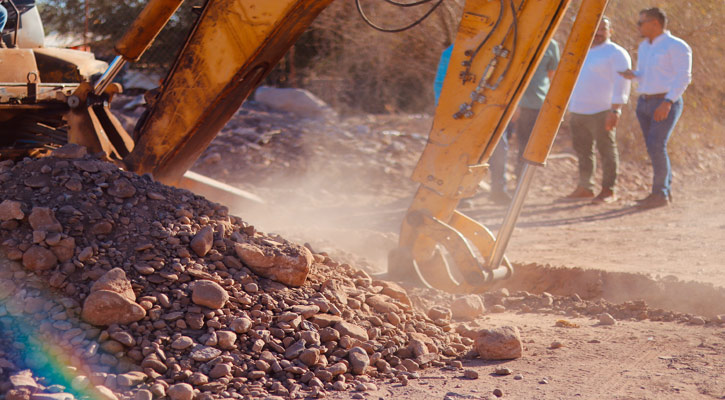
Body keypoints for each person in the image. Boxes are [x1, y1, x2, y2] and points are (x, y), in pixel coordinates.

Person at [434, 40, 560, 205]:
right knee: (463, 153)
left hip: (490, 110)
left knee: (499, 150)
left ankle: (498, 191)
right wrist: (443, 108)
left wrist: (512, 104)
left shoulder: (497, 49)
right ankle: (458, 193)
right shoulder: (452, 53)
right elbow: (441, 83)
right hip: (461, 112)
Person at [619, 7, 692, 209]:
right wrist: (633, 74)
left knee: (656, 145)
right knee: (653, 147)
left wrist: (668, 102)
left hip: (664, 102)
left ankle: (660, 194)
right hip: (644, 102)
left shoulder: (676, 46)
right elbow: (646, 73)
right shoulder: (644, 46)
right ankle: (660, 192)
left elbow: (684, 77)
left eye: (641, 22)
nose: (638, 26)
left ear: (655, 24)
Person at [563, 17, 631, 203]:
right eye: (595, 28)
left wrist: (615, 110)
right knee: (583, 151)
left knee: (607, 151)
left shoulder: (615, 53)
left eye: (603, 28)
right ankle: (585, 188)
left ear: (611, 31)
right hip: (578, 111)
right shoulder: (580, 50)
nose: (598, 32)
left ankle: (608, 191)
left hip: (602, 111)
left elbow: (622, 83)